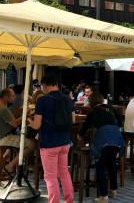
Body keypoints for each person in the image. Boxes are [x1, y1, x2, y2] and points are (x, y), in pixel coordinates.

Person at [31, 72, 75, 203]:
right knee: (64, 173)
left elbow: (36, 125)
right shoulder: (68, 99)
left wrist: (29, 121)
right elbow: (72, 120)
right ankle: (69, 200)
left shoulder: (42, 100)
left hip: (49, 143)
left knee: (50, 177)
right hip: (65, 142)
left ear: (45, 86)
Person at [80, 92, 123, 203]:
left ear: (91, 102)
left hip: (103, 139)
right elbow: (120, 122)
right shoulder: (111, 108)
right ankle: (114, 190)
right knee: (112, 163)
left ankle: (103, 196)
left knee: (100, 166)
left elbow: (85, 127)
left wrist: (79, 136)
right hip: (116, 138)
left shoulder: (92, 112)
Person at [0, 88, 34, 174]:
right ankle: (10, 166)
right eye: (12, 96)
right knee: (31, 144)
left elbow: (10, 119)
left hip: (4, 136)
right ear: (5, 97)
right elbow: (15, 124)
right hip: (4, 137)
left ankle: (3, 167)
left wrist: (20, 112)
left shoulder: (3, 106)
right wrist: (25, 114)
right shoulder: (3, 109)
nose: (14, 97)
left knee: (11, 149)